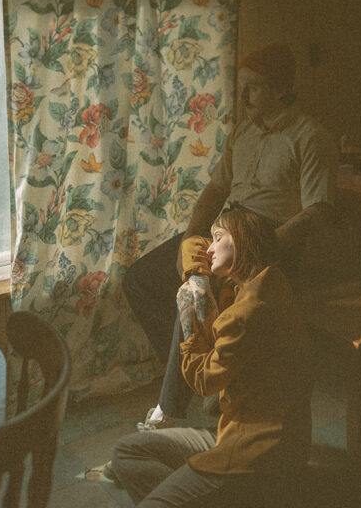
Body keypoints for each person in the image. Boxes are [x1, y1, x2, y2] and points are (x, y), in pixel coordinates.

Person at [122, 42, 338, 428]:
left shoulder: (309, 135)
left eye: (253, 87)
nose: (243, 96)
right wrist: (190, 237)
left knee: (197, 288)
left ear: (281, 89)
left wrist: (260, 247)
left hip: (268, 233)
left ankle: (169, 408)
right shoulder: (243, 132)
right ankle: (203, 376)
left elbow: (319, 210)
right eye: (243, 86)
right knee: (140, 280)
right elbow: (215, 191)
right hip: (224, 227)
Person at [111, 209, 313, 507]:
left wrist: (189, 320)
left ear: (243, 242)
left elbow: (204, 382)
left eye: (218, 238)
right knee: (127, 451)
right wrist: (197, 279)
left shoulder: (249, 311)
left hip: (256, 452)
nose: (209, 248)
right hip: (241, 432)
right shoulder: (265, 279)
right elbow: (192, 243)